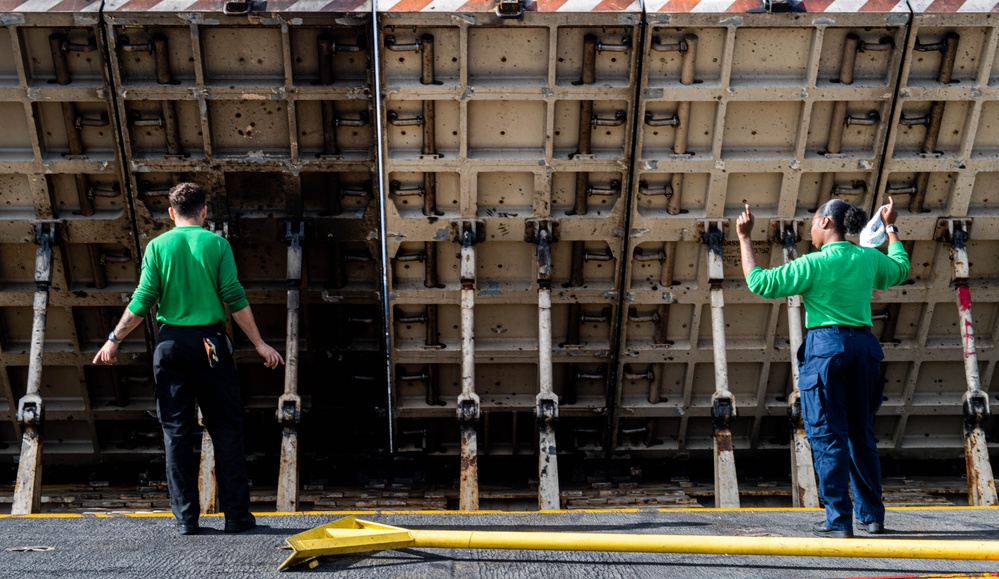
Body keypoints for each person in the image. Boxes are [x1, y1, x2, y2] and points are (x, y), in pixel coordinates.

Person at [93, 182, 285, 536]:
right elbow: (233, 296)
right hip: (210, 343)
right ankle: (237, 517)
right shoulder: (217, 245)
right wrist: (259, 343)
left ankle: (185, 520)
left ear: (171, 213)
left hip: (170, 346)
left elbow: (143, 299)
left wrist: (113, 339)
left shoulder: (157, 246)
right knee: (226, 430)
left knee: (176, 433)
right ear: (204, 211)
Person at [736, 197, 909, 538]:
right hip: (865, 348)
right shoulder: (868, 258)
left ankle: (839, 521)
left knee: (828, 437)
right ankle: (872, 518)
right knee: (861, 435)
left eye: (814, 222)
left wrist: (744, 238)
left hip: (827, 348)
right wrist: (890, 228)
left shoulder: (813, 264)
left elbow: (760, 283)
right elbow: (900, 268)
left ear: (828, 223)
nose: (811, 229)